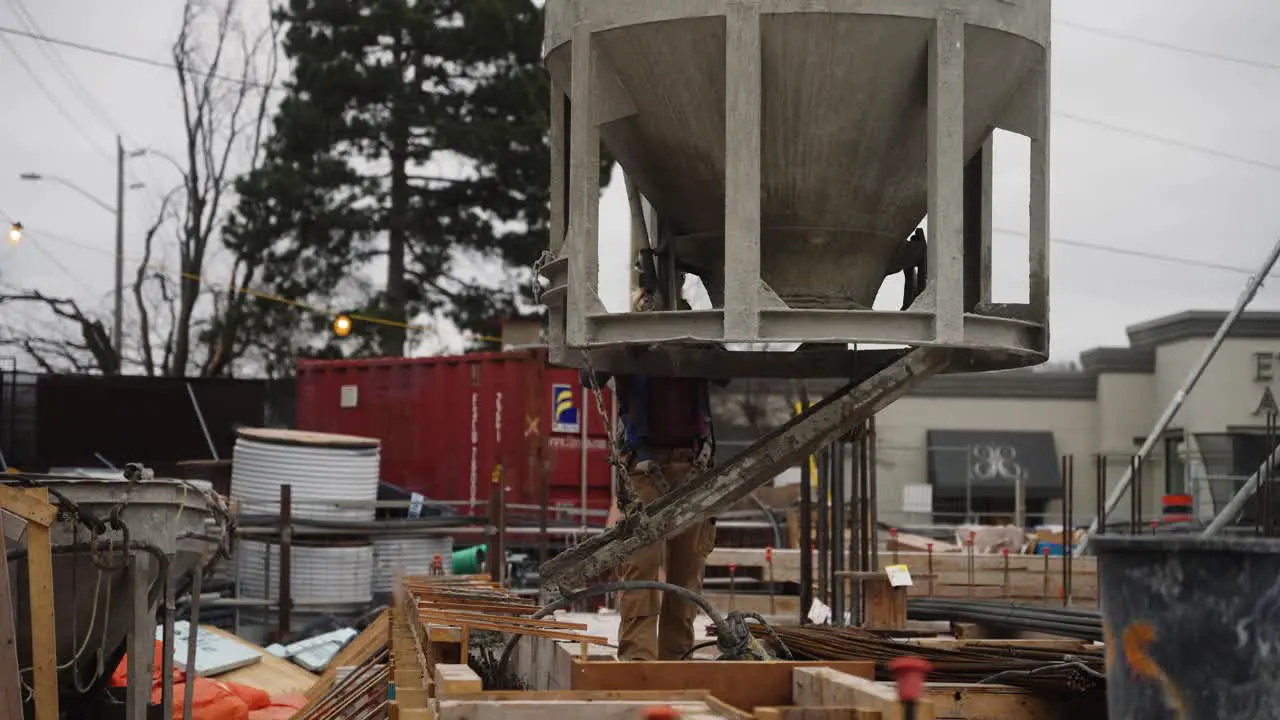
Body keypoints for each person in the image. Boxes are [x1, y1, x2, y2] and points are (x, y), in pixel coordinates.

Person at [582, 288, 727, 661]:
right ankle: (638, 667)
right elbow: (591, 375)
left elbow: (724, 372)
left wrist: (700, 338)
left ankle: (675, 665)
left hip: (693, 467)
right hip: (644, 470)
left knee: (686, 579)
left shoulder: (694, 335)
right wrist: (626, 342)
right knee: (641, 578)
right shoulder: (631, 336)